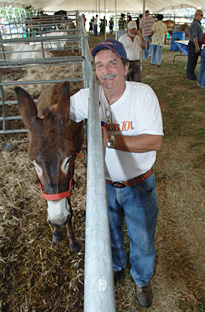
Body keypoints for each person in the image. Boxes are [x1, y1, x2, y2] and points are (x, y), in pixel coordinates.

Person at [70, 38, 163, 308]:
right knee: (108, 231)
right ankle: (117, 265)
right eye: (99, 65)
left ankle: (142, 279)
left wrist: (109, 140)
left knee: (143, 236)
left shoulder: (142, 94)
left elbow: (154, 141)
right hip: (105, 184)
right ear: (94, 72)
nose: (106, 70)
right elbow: (59, 112)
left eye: (113, 63)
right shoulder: (89, 97)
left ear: (125, 67)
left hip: (138, 184)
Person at [187, 9, 204, 80]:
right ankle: (191, 75)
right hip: (194, 44)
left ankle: (190, 74)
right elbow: (195, 36)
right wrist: (197, 46)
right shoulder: (195, 24)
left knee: (193, 60)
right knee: (192, 60)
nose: (202, 17)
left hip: (195, 43)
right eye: (201, 15)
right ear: (197, 15)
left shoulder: (197, 24)